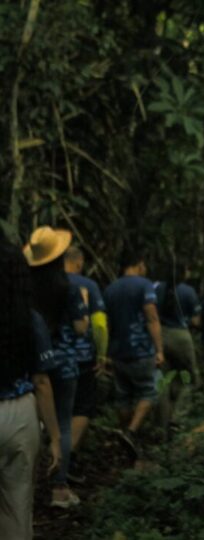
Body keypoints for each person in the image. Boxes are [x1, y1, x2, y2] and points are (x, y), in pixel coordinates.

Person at [0, 229, 62, 537]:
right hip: (20, 416)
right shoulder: (28, 316)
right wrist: (54, 437)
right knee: (17, 508)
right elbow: (41, 380)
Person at [24, 226, 89, 508]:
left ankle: (27, 486)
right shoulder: (71, 286)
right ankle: (59, 488)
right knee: (61, 423)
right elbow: (80, 327)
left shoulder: (24, 287)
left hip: (33, 363)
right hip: (64, 364)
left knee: (36, 423)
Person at [103, 251, 164, 458]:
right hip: (141, 350)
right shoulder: (144, 285)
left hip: (118, 351)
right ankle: (131, 431)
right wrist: (159, 349)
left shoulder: (110, 289)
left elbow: (107, 322)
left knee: (124, 396)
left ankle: (125, 435)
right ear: (138, 264)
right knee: (149, 392)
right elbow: (152, 317)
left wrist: (106, 352)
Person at [64, 246, 108, 480]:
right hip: (82, 358)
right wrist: (101, 354)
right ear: (79, 262)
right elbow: (99, 324)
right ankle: (66, 457)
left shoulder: (44, 283)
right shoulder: (87, 285)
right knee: (82, 407)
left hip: (51, 359)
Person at [154, 269, 201, 433]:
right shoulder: (188, 291)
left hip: (160, 335)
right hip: (180, 336)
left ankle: (162, 424)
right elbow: (196, 320)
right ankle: (178, 420)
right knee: (191, 379)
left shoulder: (157, 288)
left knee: (164, 381)